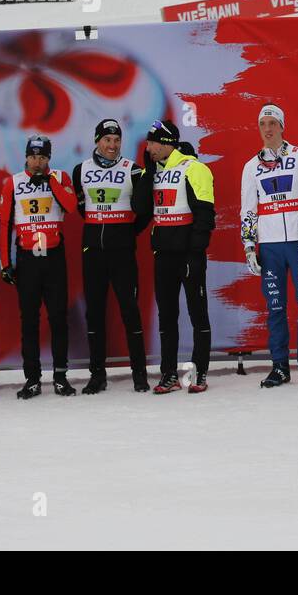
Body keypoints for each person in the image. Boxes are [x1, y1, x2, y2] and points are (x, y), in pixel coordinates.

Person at [240, 103, 298, 387]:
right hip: (271, 247)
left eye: (273, 123)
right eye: (263, 124)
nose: (268, 129)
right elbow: (248, 209)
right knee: (275, 307)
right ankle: (279, 367)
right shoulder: (251, 167)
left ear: (283, 126)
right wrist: (250, 246)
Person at [73, 118, 153, 393]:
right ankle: (97, 375)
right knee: (94, 313)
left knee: (130, 311)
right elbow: (83, 209)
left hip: (122, 253)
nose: (112, 145)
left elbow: (145, 211)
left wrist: (127, 233)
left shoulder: (133, 170)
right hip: (93, 252)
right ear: (97, 141)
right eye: (107, 140)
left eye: (117, 140)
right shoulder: (80, 170)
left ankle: (139, 375)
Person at [0, 136, 80, 399]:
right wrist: (5, 263)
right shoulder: (12, 183)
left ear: (49, 158)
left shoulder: (61, 177)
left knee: (58, 319)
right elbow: (4, 225)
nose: (37, 162)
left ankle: (60, 377)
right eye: (33, 157)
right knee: (30, 322)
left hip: (54, 259)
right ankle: (32, 379)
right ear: (26, 157)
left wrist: (50, 182)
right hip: (27, 260)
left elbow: (71, 206)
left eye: (43, 157)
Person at [144, 120, 216, 394]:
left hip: (189, 255)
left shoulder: (194, 168)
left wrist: (194, 254)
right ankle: (169, 374)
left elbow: (205, 214)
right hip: (163, 255)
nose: (148, 148)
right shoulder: (155, 171)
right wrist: (147, 171)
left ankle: (200, 373)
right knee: (167, 316)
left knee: (197, 315)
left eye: (152, 143)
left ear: (165, 144)